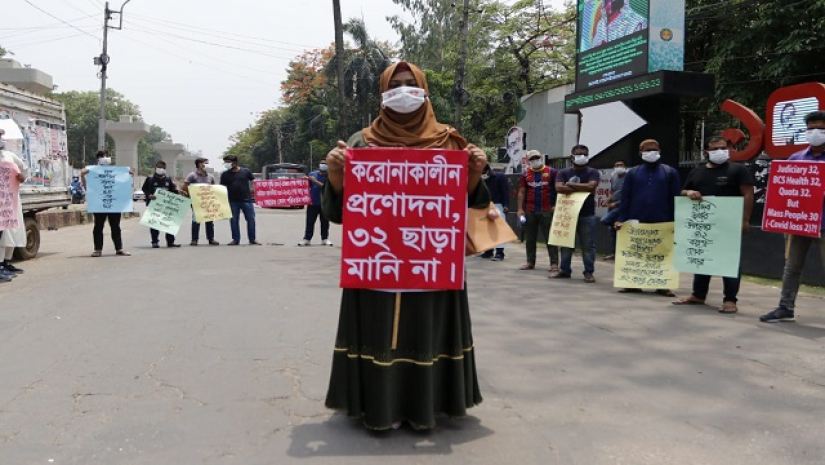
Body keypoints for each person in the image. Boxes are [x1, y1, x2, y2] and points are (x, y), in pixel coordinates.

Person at [323, 61, 490, 431]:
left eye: (410, 84)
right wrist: (336, 173)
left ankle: (427, 407)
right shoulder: (361, 141)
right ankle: (378, 407)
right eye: (394, 85)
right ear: (383, 94)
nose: (403, 92)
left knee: (427, 330)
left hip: (431, 261)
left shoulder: (450, 140)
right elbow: (339, 213)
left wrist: (475, 171)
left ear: (425, 91)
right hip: (376, 260)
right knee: (378, 329)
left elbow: (473, 206)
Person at [672, 136, 755, 313]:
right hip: (703, 224)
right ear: (706, 152)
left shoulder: (738, 170)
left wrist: (745, 219)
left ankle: (730, 300)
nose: (720, 151)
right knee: (702, 257)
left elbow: (748, 194)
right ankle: (698, 295)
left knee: (730, 261)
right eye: (715, 148)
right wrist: (689, 192)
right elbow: (683, 190)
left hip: (729, 224)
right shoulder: (697, 171)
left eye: (723, 148)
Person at [760, 111, 825, 323]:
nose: (816, 132)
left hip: (824, 224)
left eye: (821, 128)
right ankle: (785, 307)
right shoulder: (796, 158)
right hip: (799, 224)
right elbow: (784, 189)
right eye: (811, 128)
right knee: (791, 267)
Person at [614, 139, 681, 296]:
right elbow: (626, 198)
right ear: (640, 153)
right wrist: (621, 219)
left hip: (663, 221)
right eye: (647, 150)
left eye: (654, 149)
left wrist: (675, 222)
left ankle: (663, 285)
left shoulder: (670, 172)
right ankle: (632, 283)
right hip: (636, 220)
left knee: (662, 253)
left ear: (659, 151)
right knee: (636, 252)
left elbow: (676, 198)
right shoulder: (633, 173)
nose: (651, 152)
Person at [553, 145, 600, 282]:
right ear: (572, 156)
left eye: (585, 154)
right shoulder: (563, 172)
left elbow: (592, 186)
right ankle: (564, 270)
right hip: (568, 213)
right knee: (566, 244)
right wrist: (583, 188)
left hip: (587, 214)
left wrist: (569, 185)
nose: (582, 156)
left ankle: (589, 272)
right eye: (579, 154)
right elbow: (558, 188)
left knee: (588, 245)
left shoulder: (592, 172)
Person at [81, 150, 131, 257]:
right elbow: (87, 186)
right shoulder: (92, 171)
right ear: (98, 159)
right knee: (98, 227)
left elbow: (123, 185)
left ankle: (119, 248)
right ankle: (97, 249)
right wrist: (82, 175)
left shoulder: (116, 172)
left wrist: (128, 175)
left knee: (115, 227)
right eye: (103, 156)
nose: (106, 158)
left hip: (114, 204)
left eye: (107, 156)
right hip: (99, 204)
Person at [516, 150, 559, 272]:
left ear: (541, 158)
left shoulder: (552, 172)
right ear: (529, 161)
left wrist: (556, 205)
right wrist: (520, 209)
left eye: (537, 157)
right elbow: (522, 191)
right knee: (530, 238)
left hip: (547, 209)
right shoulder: (525, 174)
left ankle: (554, 263)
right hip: (530, 210)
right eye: (532, 158)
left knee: (550, 237)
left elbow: (557, 189)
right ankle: (530, 261)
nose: (535, 160)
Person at [0, 130, 27, 279]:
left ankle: (6, 263)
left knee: (12, 231)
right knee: (2, 235)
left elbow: (24, 169)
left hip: (11, 200)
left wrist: (22, 177)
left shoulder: (9, 156)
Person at [220, 155, 260, 245]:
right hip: (233, 201)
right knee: (234, 221)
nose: (227, 164)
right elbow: (222, 188)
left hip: (247, 200)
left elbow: (254, 182)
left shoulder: (246, 171)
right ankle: (235, 239)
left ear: (234, 162)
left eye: (228, 162)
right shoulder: (225, 174)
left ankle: (252, 239)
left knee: (251, 219)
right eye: (225, 162)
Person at [142, 160, 181, 248]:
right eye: (159, 167)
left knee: (169, 223)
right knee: (154, 224)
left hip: (167, 205)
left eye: (163, 168)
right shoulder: (150, 178)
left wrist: (179, 192)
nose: (161, 169)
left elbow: (172, 190)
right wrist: (149, 195)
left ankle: (170, 242)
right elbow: (145, 189)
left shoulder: (168, 178)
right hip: (154, 204)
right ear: (155, 168)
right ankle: (155, 242)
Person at [181, 157, 219, 246]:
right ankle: (194, 239)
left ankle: (211, 239)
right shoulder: (192, 175)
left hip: (208, 201)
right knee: (196, 220)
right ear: (198, 164)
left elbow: (214, 188)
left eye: (206, 163)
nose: (205, 165)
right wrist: (188, 195)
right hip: (196, 202)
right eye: (203, 163)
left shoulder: (210, 176)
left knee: (209, 220)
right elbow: (185, 185)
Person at [480, 163, 510, 261]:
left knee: (498, 230)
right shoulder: (479, 179)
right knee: (485, 229)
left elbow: (505, 191)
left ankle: (500, 253)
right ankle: (488, 251)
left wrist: (506, 205)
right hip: (484, 205)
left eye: (483, 171)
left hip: (497, 205)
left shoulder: (499, 177)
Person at [298, 163, 332, 246]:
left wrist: (315, 181)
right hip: (313, 203)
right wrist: (304, 180)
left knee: (325, 222)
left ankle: (325, 238)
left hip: (325, 203)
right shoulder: (312, 174)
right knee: (310, 222)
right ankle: (307, 239)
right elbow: (306, 186)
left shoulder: (330, 177)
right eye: (322, 164)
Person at [601, 160, 627, 260]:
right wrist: (607, 201)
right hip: (612, 205)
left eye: (621, 165)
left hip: (622, 205)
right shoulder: (614, 177)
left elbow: (629, 195)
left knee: (605, 220)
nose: (619, 167)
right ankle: (614, 253)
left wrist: (616, 204)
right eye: (617, 165)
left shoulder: (628, 178)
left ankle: (622, 252)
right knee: (612, 231)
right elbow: (612, 192)